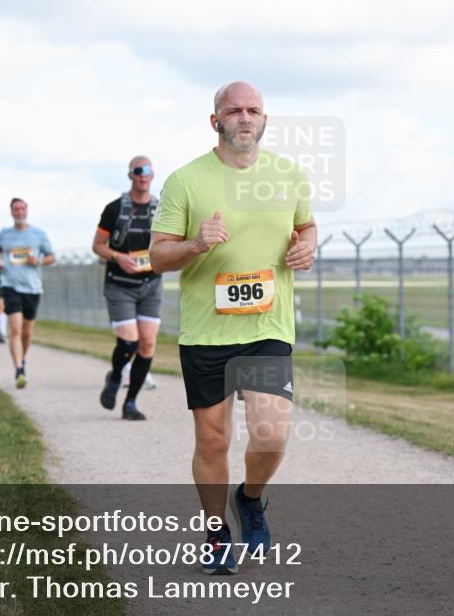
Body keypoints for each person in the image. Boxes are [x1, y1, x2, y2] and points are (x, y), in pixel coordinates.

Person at [150, 82, 317, 574]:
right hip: (206, 333)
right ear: (215, 121)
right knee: (214, 440)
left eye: (253, 110)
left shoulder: (288, 175)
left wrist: (307, 245)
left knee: (270, 434)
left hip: (267, 327)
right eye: (234, 111)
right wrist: (196, 244)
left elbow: (306, 227)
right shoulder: (185, 181)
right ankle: (216, 531)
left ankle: (250, 498)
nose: (244, 117)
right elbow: (158, 256)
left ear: (264, 119)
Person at [93, 156, 163, 420]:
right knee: (129, 342)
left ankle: (131, 402)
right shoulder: (114, 209)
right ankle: (114, 378)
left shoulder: (162, 209)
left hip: (150, 285)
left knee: (147, 344)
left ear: (153, 175)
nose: (143, 175)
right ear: (130, 175)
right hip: (120, 285)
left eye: (147, 170)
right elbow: (97, 245)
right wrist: (118, 257)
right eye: (138, 171)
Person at [0, 197, 56, 388]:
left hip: (32, 287)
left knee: (27, 332)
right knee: (16, 329)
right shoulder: (4, 234)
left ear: (27, 211)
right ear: (11, 212)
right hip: (10, 285)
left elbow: (52, 257)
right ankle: (19, 369)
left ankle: (22, 359)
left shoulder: (38, 234)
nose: (19, 212)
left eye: (22, 209)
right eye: (16, 209)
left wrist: (39, 261)